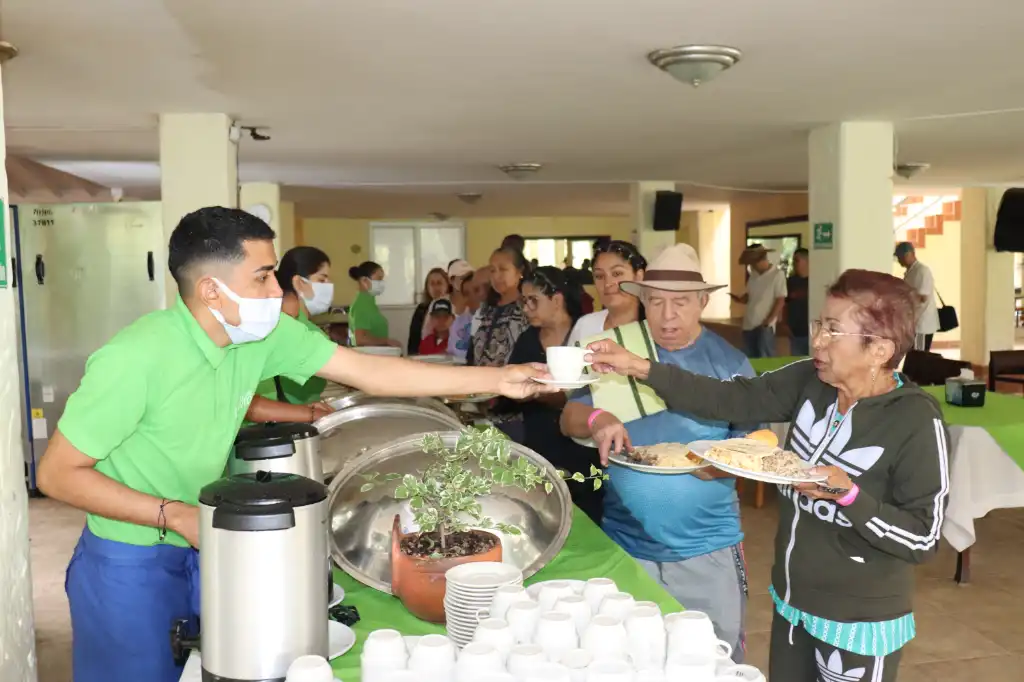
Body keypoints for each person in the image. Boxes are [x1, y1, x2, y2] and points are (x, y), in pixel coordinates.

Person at [37, 206, 556, 682]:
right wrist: (172, 514)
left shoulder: (257, 338)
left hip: (206, 540)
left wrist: (500, 378)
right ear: (212, 290)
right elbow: (57, 474)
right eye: (262, 276)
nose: (275, 291)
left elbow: (370, 372)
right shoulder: (136, 357)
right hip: (128, 558)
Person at [585, 268, 949, 682]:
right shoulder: (810, 380)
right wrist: (639, 367)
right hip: (794, 604)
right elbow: (728, 398)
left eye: (833, 330)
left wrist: (850, 496)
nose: (817, 341)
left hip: (858, 619)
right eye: (818, 325)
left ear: (879, 349)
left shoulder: (914, 419)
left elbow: (923, 537)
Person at [560, 244, 755, 660]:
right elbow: (569, 417)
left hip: (707, 548)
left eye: (680, 303)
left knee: (714, 659)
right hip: (626, 543)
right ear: (642, 300)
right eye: (656, 302)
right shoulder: (619, 350)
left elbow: (755, 446)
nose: (667, 316)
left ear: (702, 302)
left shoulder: (729, 364)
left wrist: (720, 465)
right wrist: (596, 418)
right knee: (631, 660)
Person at [495, 266, 604, 522]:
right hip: (539, 441)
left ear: (556, 300)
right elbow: (511, 388)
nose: (526, 308)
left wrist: (548, 394)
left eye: (533, 300)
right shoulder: (527, 340)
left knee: (588, 512)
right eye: (523, 301)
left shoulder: (585, 334)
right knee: (544, 511)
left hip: (581, 444)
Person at [244, 246, 336, 424]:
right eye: (263, 278)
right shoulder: (262, 330)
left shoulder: (288, 326)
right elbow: (248, 405)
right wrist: (307, 414)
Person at [567, 240, 647, 346]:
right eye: (599, 276)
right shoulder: (585, 326)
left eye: (617, 273)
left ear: (638, 277)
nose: (607, 283)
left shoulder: (657, 328)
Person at [468, 246, 530, 367]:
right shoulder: (485, 310)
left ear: (520, 271)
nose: (496, 276)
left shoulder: (527, 308)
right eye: (492, 270)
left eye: (503, 269)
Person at [732, 243, 787, 358]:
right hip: (748, 324)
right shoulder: (753, 276)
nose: (751, 266)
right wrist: (740, 299)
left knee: (765, 359)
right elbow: (750, 296)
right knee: (750, 359)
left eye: (753, 263)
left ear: (761, 259)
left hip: (764, 326)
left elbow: (780, 300)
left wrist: (768, 321)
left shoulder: (777, 275)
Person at [894, 241, 939, 351]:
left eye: (900, 257)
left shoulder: (922, 271)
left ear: (909, 255)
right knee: (914, 355)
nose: (899, 261)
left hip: (921, 325)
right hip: (913, 323)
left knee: (919, 356)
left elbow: (923, 298)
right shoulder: (911, 271)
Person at [348, 261, 402, 348]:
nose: (382, 283)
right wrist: (386, 341)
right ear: (364, 281)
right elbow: (360, 339)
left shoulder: (369, 302)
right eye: (379, 279)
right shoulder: (361, 304)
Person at [407, 267, 452, 355]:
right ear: (427, 287)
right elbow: (413, 338)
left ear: (447, 285)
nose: (436, 288)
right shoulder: (421, 309)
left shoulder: (453, 307)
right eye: (432, 284)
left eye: (439, 283)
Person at [449, 267, 489, 361]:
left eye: (476, 290)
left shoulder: (490, 317)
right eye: (466, 293)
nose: (472, 296)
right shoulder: (458, 322)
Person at [786, 248, 811, 356]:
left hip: (812, 331)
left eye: (797, 260)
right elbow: (785, 304)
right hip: (795, 333)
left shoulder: (816, 280)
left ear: (807, 261)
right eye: (793, 261)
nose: (794, 264)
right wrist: (785, 325)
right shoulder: (790, 282)